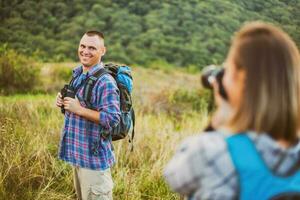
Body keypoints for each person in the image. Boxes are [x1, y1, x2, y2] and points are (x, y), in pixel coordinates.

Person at [164, 22, 300, 199]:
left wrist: (221, 118)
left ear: (241, 79)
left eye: (227, 69)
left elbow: (174, 178)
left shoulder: (210, 151)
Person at [56, 31, 120, 200]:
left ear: (103, 51)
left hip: (93, 162)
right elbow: (75, 107)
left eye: (92, 48)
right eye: (82, 46)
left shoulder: (105, 82)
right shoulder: (78, 75)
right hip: (78, 156)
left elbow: (113, 118)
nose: (85, 51)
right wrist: (64, 102)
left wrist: (79, 109)